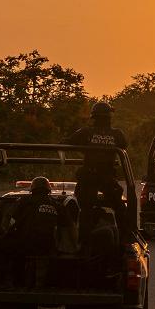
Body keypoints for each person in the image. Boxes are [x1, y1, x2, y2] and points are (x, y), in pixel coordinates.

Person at [64, 102, 128, 242]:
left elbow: (68, 142)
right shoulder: (117, 134)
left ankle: (83, 244)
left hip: (89, 176)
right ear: (109, 117)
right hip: (107, 178)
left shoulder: (86, 132)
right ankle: (126, 239)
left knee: (86, 211)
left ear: (94, 117)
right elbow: (124, 144)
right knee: (120, 207)